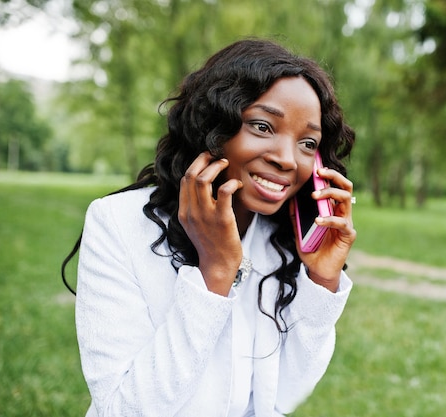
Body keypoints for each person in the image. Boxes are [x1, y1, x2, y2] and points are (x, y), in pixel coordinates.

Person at [62, 38, 356, 417]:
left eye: (307, 143)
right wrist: (215, 273)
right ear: (213, 126)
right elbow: (123, 409)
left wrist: (322, 283)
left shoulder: (283, 239)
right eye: (263, 126)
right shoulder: (117, 222)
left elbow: (284, 397)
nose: (287, 159)